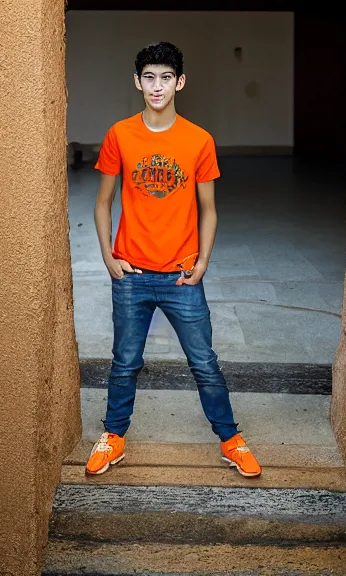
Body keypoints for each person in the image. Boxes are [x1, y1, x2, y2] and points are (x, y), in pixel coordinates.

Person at [86, 41, 261, 479]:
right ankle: (113, 437)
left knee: (204, 362)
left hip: (182, 276)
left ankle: (231, 439)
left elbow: (209, 209)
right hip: (131, 273)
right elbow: (103, 202)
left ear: (180, 82)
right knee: (124, 361)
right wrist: (108, 256)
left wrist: (202, 262)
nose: (157, 86)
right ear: (137, 82)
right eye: (149, 77)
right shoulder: (120, 135)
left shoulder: (199, 140)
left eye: (166, 77)